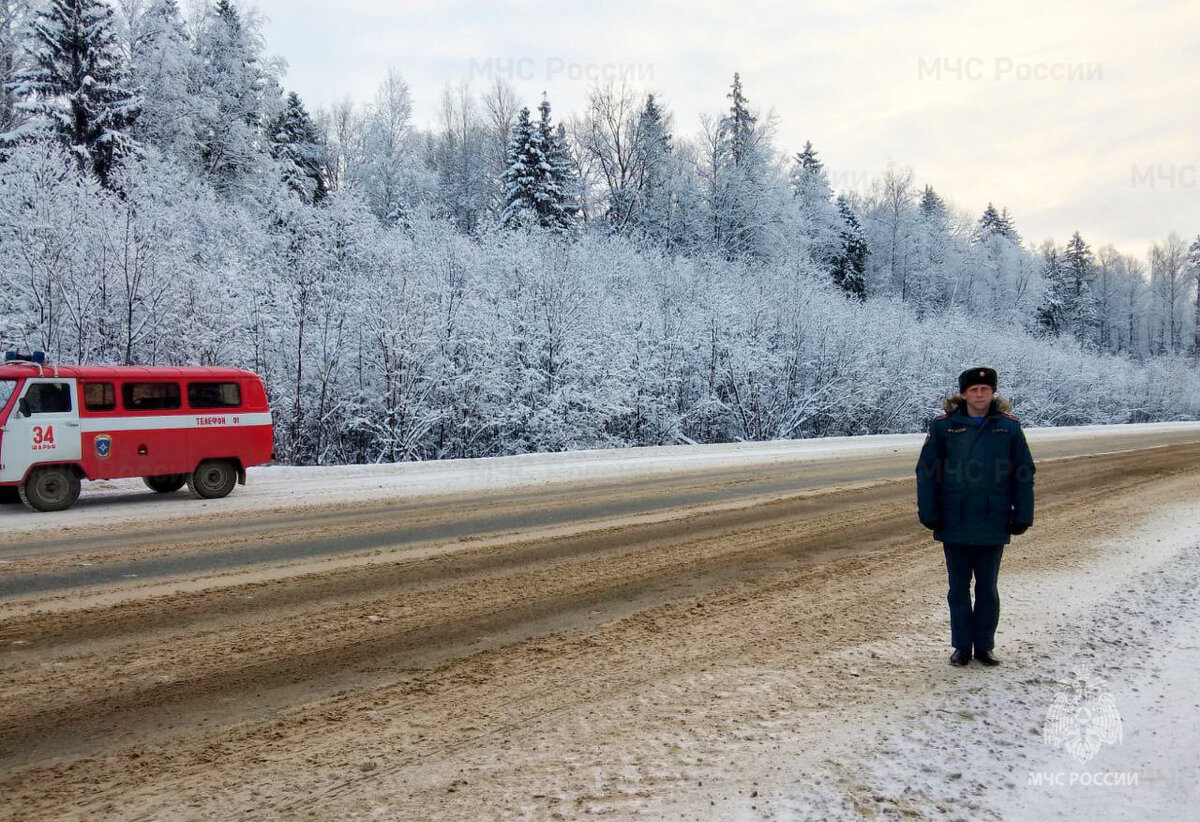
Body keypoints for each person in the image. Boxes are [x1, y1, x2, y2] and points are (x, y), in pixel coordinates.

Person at [915, 367, 1035, 667]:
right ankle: (961, 646)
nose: (979, 394)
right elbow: (927, 472)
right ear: (964, 393)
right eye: (974, 390)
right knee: (957, 588)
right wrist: (929, 512)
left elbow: (1023, 473)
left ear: (993, 392)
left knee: (987, 588)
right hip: (954, 519)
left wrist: (1022, 514)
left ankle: (984, 646)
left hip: (993, 519)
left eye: (985, 389)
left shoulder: (1008, 427)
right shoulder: (944, 427)